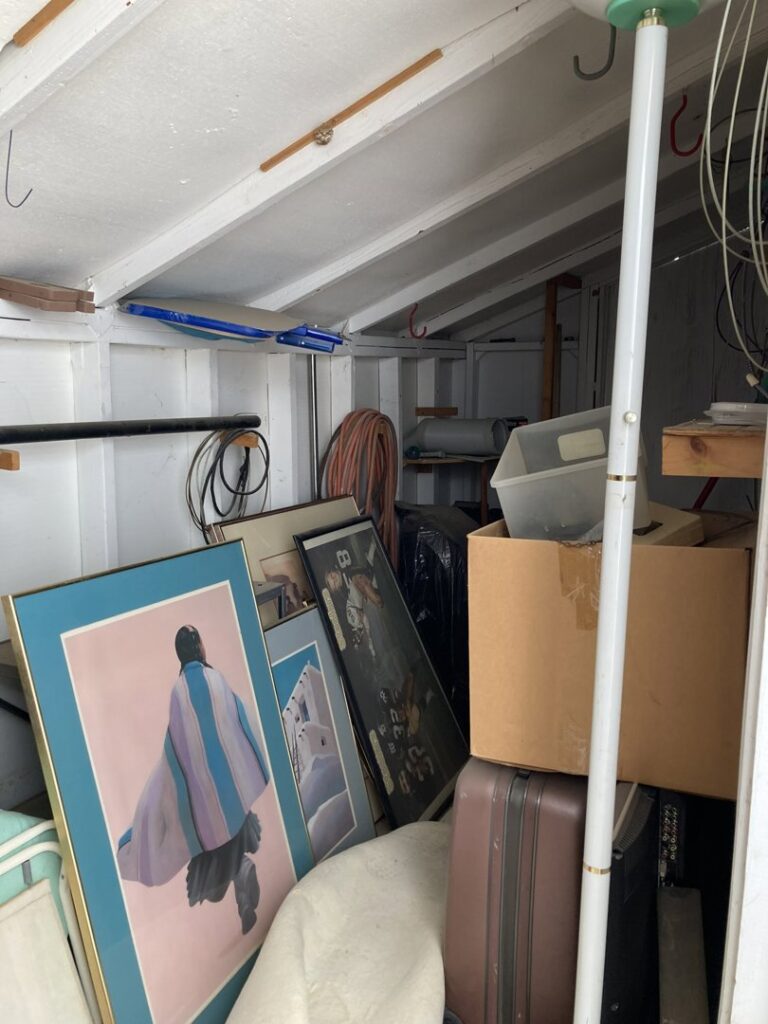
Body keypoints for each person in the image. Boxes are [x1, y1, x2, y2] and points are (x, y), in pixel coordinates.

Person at [116, 625, 269, 934]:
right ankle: (242, 873)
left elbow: (176, 750)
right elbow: (238, 720)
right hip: (235, 807)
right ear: (199, 646)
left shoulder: (178, 692)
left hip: (205, 819)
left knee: (209, 887)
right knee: (221, 870)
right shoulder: (215, 679)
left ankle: (240, 875)